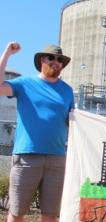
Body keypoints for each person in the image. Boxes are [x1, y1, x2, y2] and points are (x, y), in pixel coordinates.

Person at [0, 42, 74, 222]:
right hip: (27, 156)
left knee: (51, 214)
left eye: (60, 60)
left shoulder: (67, 91)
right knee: (17, 212)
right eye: (51, 58)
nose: (56, 62)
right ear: (42, 60)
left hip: (57, 158)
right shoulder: (24, 83)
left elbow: (72, 121)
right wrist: (7, 54)